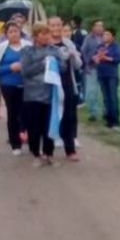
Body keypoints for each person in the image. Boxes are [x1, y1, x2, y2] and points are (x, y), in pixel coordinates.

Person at [20, 23, 64, 167]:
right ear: (35, 36)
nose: (45, 37)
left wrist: (57, 62)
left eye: (47, 34)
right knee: (34, 127)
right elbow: (25, 72)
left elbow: (62, 68)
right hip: (32, 95)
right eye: (42, 34)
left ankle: (49, 153)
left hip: (50, 94)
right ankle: (36, 153)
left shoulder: (55, 51)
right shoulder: (28, 51)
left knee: (49, 125)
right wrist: (42, 64)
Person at [0, 21, 31, 155]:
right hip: (8, 85)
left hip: (26, 85)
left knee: (26, 113)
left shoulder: (28, 46)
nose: (14, 34)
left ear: (20, 32)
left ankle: (26, 134)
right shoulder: (2, 48)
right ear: (6, 34)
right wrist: (10, 68)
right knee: (12, 113)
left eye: (16, 31)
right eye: (11, 32)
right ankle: (15, 143)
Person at [49, 16, 82, 161]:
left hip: (68, 83)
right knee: (50, 116)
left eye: (58, 25)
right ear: (48, 27)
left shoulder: (68, 43)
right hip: (50, 85)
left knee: (69, 116)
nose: (56, 28)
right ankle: (48, 150)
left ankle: (70, 150)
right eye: (53, 25)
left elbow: (78, 65)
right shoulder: (45, 43)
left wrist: (73, 56)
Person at [95, 28, 120, 129]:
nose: (105, 36)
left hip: (112, 75)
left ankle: (116, 120)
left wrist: (106, 58)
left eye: (107, 34)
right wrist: (96, 58)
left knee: (113, 97)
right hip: (101, 74)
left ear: (112, 37)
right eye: (104, 34)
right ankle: (108, 119)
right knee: (106, 98)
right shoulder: (100, 46)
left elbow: (119, 59)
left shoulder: (116, 46)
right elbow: (94, 57)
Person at [80, 20, 105, 121]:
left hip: (104, 68)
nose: (99, 28)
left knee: (104, 91)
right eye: (97, 26)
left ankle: (105, 111)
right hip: (92, 68)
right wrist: (88, 61)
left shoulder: (106, 37)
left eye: (101, 26)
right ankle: (93, 112)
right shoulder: (88, 38)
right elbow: (83, 50)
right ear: (93, 27)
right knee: (91, 91)